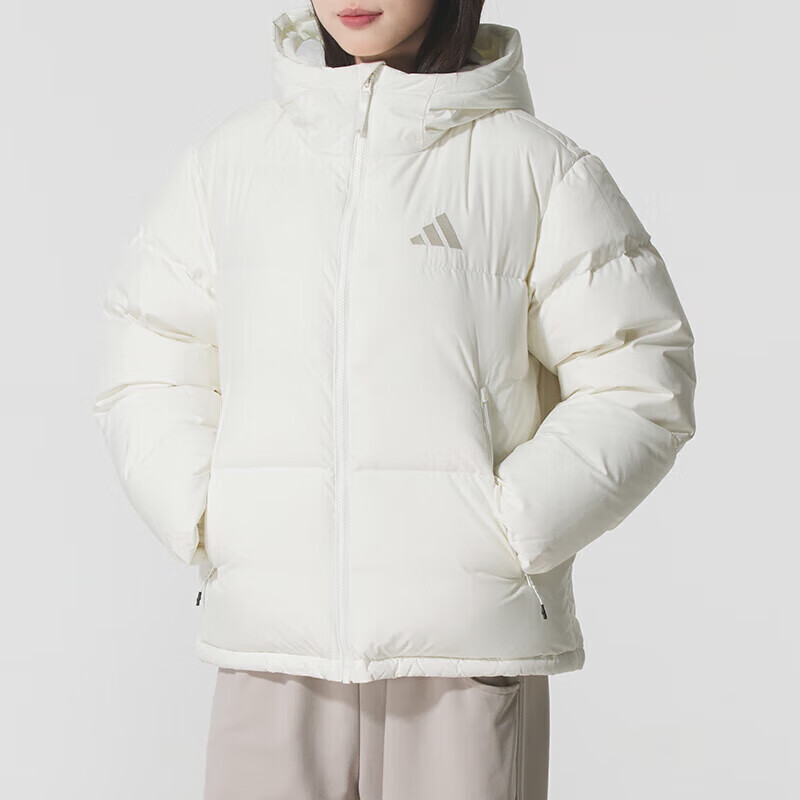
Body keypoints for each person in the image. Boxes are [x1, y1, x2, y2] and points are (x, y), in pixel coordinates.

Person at [92, 1, 697, 798]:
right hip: (272, 651)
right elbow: (151, 353)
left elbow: (639, 372)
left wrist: (508, 530)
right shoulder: (229, 166)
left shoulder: (537, 171)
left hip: (463, 653)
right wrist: (210, 514)